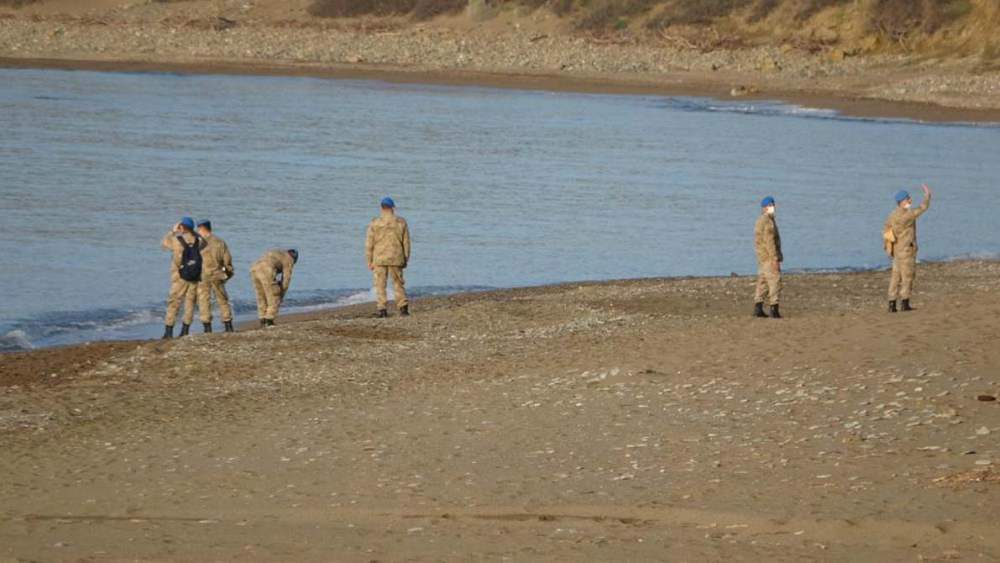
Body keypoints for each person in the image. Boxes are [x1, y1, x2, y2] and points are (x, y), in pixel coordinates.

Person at [883, 183, 931, 312]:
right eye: (908, 198)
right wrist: (927, 194)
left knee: (895, 277)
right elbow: (922, 207)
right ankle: (905, 303)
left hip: (897, 250)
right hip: (906, 250)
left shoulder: (892, 215)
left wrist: (890, 245)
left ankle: (891, 303)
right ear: (902, 202)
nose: (910, 200)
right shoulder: (907, 215)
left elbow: (886, 229)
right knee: (908, 276)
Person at [365, 196, 411, 318]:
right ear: (393, 208)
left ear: (381, 208)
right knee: (398, 283)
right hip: (396, 257)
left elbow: (369, 243)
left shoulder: (374, 222)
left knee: (380, 284)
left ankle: (382, 309)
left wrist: (369, 260)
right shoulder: (401, 222)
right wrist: (406, 258)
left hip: (379, 258)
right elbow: (406, 242)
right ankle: (403, 308)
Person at [161, 216, 206, 338]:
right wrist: (193, 232)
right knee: (190, 302)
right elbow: (205, 242)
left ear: (181, 227)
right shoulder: (198, 241)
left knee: (173, 302)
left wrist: (173, 231)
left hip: (179, 277)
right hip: (194, 276)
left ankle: (169, 331)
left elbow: (164, 243)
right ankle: (185, 329)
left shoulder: (177, 241)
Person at [194, 219, 235, 333]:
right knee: (222, 300)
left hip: (202, 276)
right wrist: (228, 274)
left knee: (203, 301)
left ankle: (207, 327)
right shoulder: (220, 242)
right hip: (218, 275)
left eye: (198, 228)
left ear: (202, 228)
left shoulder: (197, 243)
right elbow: (227, 261)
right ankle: (228, 325)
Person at [250, 248, 298, 327]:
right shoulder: (289, 259)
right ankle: (269, 320)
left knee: (260, 296)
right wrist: (281, 292)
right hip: (266, 268)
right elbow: (286, 279)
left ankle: (262, 319)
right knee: (274, 296)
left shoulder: (278, 252)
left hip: (254, 267)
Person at [753, 196, 783, 319]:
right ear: (764, 207)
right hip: (768, 257)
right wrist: (775, 258)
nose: (772, 207)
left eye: (773, 204)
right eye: (770, 205)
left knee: (763, 282)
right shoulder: (767, 221)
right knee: (775, 281)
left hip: (761, 256)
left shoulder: (759, 220)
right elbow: (769, 241)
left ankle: (758, 308)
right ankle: (774, 309)